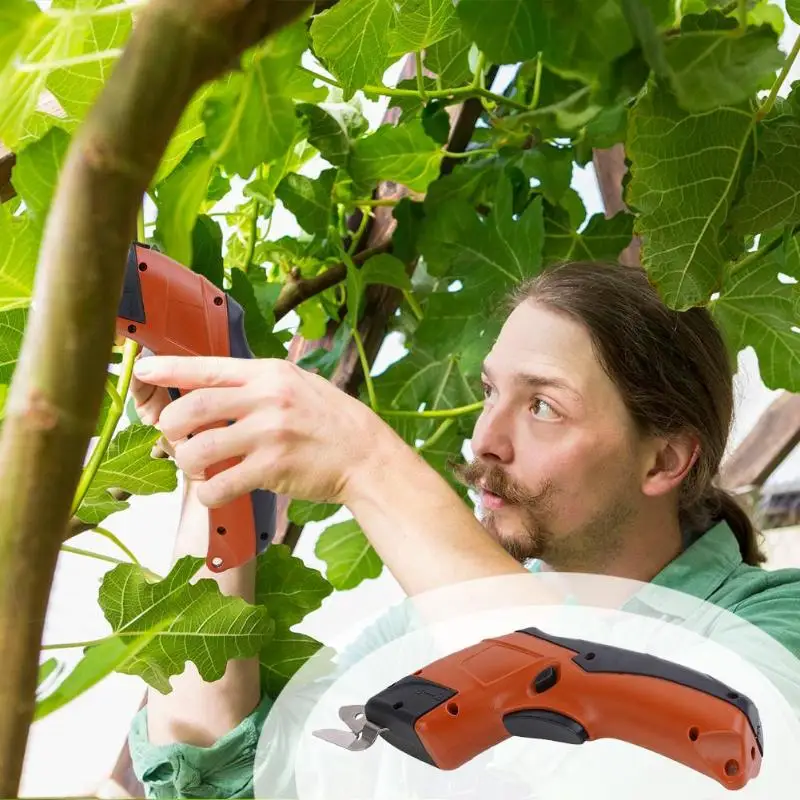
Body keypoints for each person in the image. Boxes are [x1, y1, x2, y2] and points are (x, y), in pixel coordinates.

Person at [124, 260, 800, 798]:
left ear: (664, 460)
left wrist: (366, 460)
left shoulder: (774, 630)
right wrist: (214, 463)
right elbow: (223, 778)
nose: (485, 439)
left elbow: (626, 741)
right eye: (489, 393)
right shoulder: (417, 639)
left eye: (542, 406)